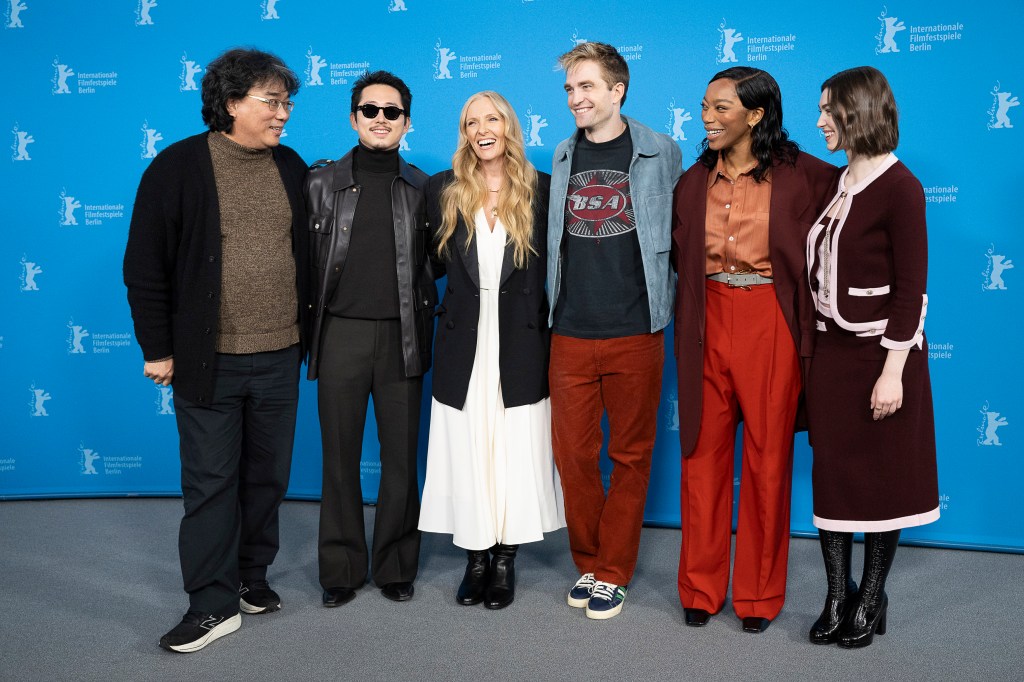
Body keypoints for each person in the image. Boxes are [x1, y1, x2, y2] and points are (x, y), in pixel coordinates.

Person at [123, 48, 308, 653]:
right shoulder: (176, 168)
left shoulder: (291, 166)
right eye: (271, 102)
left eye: (287, 102)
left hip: (280, 355)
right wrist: (158, 347)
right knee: (210, 483)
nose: (283, 114)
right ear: (230, 104)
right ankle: (210, 602)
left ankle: (251, 578)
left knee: (267, 478)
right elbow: (145, 267)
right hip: (210, 361)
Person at [671, 67, 837, 633]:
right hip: (706, 321)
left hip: (771, 320)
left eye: (721, 108)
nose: (707, 119)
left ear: (756, 114)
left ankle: (760, 596)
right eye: (704, 107)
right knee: (701, 456)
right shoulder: (694, 180)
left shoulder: (808, 177)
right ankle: (699, 588)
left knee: (768, 462)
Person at [805, 65, 939, 648]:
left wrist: (893, 372)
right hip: (833, 356)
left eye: (827, 110)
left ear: (855, 112)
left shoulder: (901, 187)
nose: (820, 121)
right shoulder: (837, 183)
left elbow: (912, 288)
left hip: (883, 358)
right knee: (834, 481)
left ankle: (871, 597)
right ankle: (838, 594)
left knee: (882, 484)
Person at [547, 41, 681, 620]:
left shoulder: (660, 151)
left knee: (630, 455)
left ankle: (614, 571)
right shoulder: (559, 155)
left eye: (586, 88)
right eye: (570, 90)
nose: (576, 99)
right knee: (573, 455)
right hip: (570, 330)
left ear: (616, 90)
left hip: (636, 328)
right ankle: (588, 558)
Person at [418, 91, 565, 610]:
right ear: (464, 131)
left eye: (492, 118)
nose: (482, 128)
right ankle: (474, 558)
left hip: (522, 340)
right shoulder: (442, 190)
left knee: (515, 450)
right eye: (471, 121)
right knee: (469, 448)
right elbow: (424, 268)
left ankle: (504, 560)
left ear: (509, 125)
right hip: (463, 341)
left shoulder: (544, 190)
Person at [305, 71, 435, 608]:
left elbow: (437, 260)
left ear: (406, 121)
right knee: (339, 457)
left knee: (402, 458)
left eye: (392, 111)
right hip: (340, 334)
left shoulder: (424, 186)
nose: (380, 119)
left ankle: (396, 566)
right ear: (353, 117)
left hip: (403, 336)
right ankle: (340, 569)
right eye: (370, 110)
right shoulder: (319, 182)